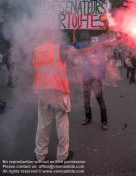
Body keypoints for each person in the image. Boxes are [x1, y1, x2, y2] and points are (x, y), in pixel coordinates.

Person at [32, 28, 117, 162]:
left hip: (42, 91)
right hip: (59, 90)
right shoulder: (59, 49)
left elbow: (34, 67)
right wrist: (101, 45)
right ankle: (62, 156)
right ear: (53, 36)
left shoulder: (35, 51)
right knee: (62, 124)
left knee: (43, 124)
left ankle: (40, 155)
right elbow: (81, 52)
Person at [73, 28, 119, 130]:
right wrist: (74, 31)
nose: (94, 42)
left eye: (95, 40)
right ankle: (88, 117)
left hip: (96, 78)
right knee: (86, 99)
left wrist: (106, 28)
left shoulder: (101, 48)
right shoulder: (85, 49)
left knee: (100, 100)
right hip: (86, 78)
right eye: (92, 41)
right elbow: (75, 44)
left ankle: (104, 121)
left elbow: (107, 39)